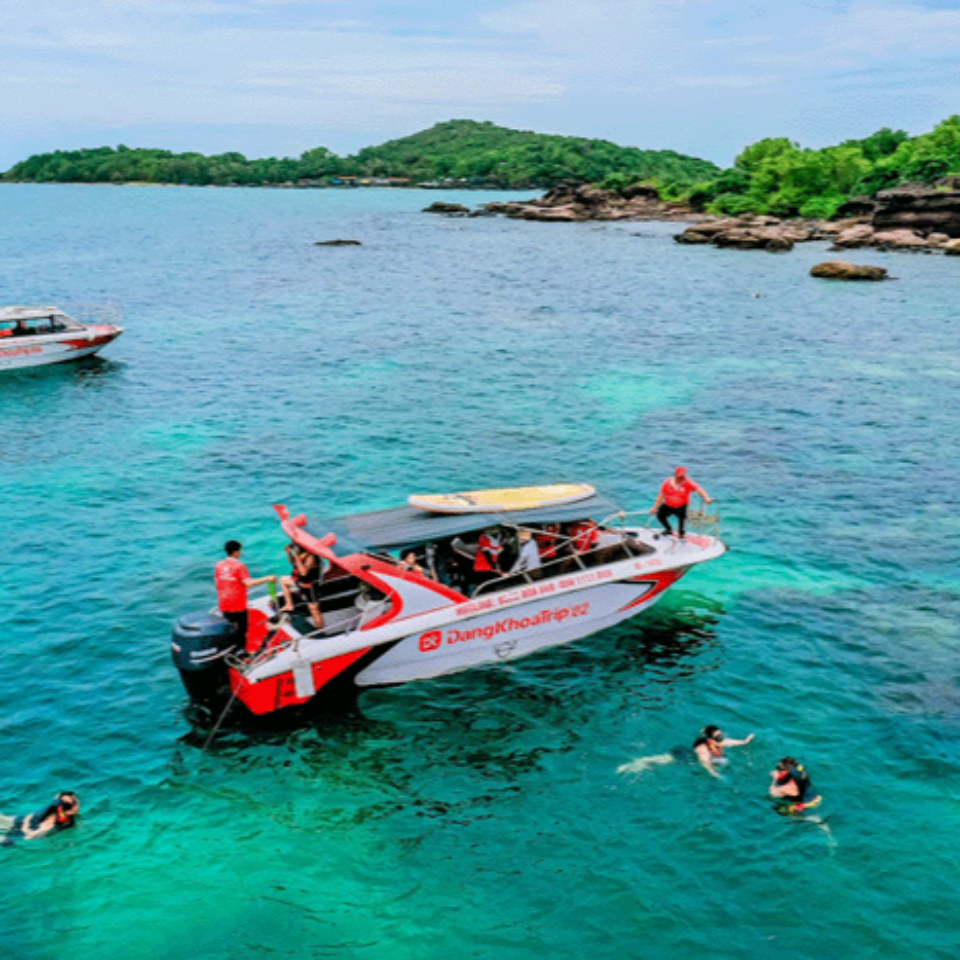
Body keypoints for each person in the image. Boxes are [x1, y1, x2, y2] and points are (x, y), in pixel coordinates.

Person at [617, 724, 754, 777]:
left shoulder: (719, 741)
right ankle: (631, 765)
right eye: (718, 735)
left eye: (721, 734)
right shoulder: (703, 748)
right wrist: (713, 773)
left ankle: (638, 764)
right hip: (685, 755)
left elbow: (734, 742)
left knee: (661, 761)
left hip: (693, 754)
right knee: (662, 760)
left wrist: (746, 741)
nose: (721, 736)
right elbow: (704, 762)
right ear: (710, 738)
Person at [214, 540, 278, 649]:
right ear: (236, 552)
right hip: (237, 602)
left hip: (224, 602)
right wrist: (267, 578)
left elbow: (217, 583)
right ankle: (241, 650)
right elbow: (248, 583)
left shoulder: (218, 565)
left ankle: (230, 649)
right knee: (242, 629)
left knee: (230, 627)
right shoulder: (239, 566)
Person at [650, 466, 713, 539]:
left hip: (681, 507)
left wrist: (706, 497)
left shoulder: (688, 482)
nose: (681, 479)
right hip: (668, 505)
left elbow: (699, 490)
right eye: (680, 477)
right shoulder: (667, 483)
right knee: (660, 515)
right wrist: (654, 508)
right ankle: (668, 529)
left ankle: (681, 534)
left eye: (683, 477)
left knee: (681, 521)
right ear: (675, 475)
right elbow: (660, 496)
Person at [1, 792, 80, 846]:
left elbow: (30, 816)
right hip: (19, 826)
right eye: (75, 802)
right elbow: (31, 835)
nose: (78, 802)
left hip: (20, 820)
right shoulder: (51, 822)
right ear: (69, 811)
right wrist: (25, 828)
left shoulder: (54, 809)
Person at [282, 543, 324, 629]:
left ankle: (320, 628)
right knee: (283, 581)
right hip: (300, 582)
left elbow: (303, 572)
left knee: (314, 610)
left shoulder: (311, 557)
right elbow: (292, 562)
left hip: (310, 586)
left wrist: (297, 557)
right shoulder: (301, 554)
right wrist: (289, 553)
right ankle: (289, 604)